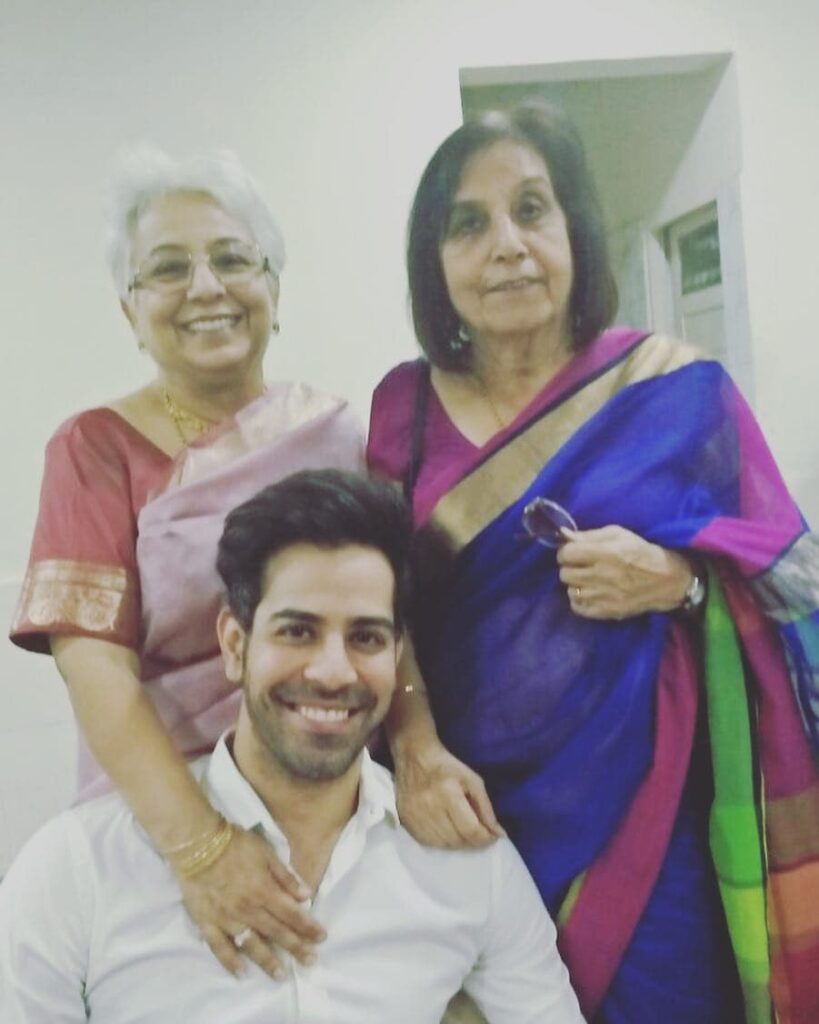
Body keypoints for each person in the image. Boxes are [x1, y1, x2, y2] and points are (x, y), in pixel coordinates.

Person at [368, 104, 819, 1024]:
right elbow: (376, 599)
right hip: (460, 816)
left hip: (645, 818)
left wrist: (682, 580)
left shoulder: (674, 388)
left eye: (531, 210)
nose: (506, 245)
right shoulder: (403, 408)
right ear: (434, 259)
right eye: (468, 222)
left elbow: (796, 576)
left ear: (574, 228)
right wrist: (412, 746)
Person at [0, 469, 585, 1024]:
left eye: (365, 637)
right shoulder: (80, 869)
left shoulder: (465, 862)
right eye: (297, 631)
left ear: (396, 652)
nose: (334, 671)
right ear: (235, 644)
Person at [9, 147, 363, 977]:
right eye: (168, 269)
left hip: (332, 797)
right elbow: (97, 672)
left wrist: (416, 750)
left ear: (273, 288)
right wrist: (204, 851)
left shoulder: (338, 437)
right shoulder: (94, 449)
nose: (206, 288)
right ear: (131, 312)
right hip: (167, 816)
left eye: (232, 259)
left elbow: (388, 628)